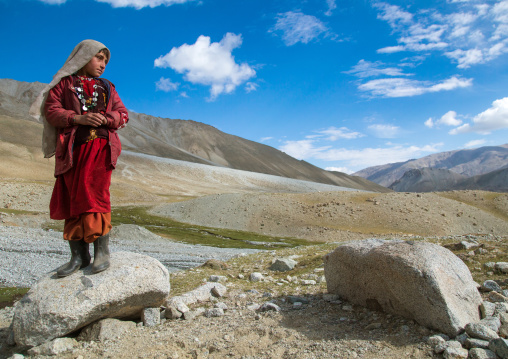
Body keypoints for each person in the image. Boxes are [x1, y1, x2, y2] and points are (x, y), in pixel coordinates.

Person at [30, 40, 128, 277]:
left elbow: (122, 114)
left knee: (95, 193)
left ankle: (102, 252)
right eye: (99, 58)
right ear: (84, 57)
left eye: (105, 60)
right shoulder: (63, 85)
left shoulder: (107, 87)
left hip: (100, 148)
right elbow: (51, 111)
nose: (103, 65)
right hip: (72, 151)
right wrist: (77, 119)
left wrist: (106, 119)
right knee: (72, 196)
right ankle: (79, 256)